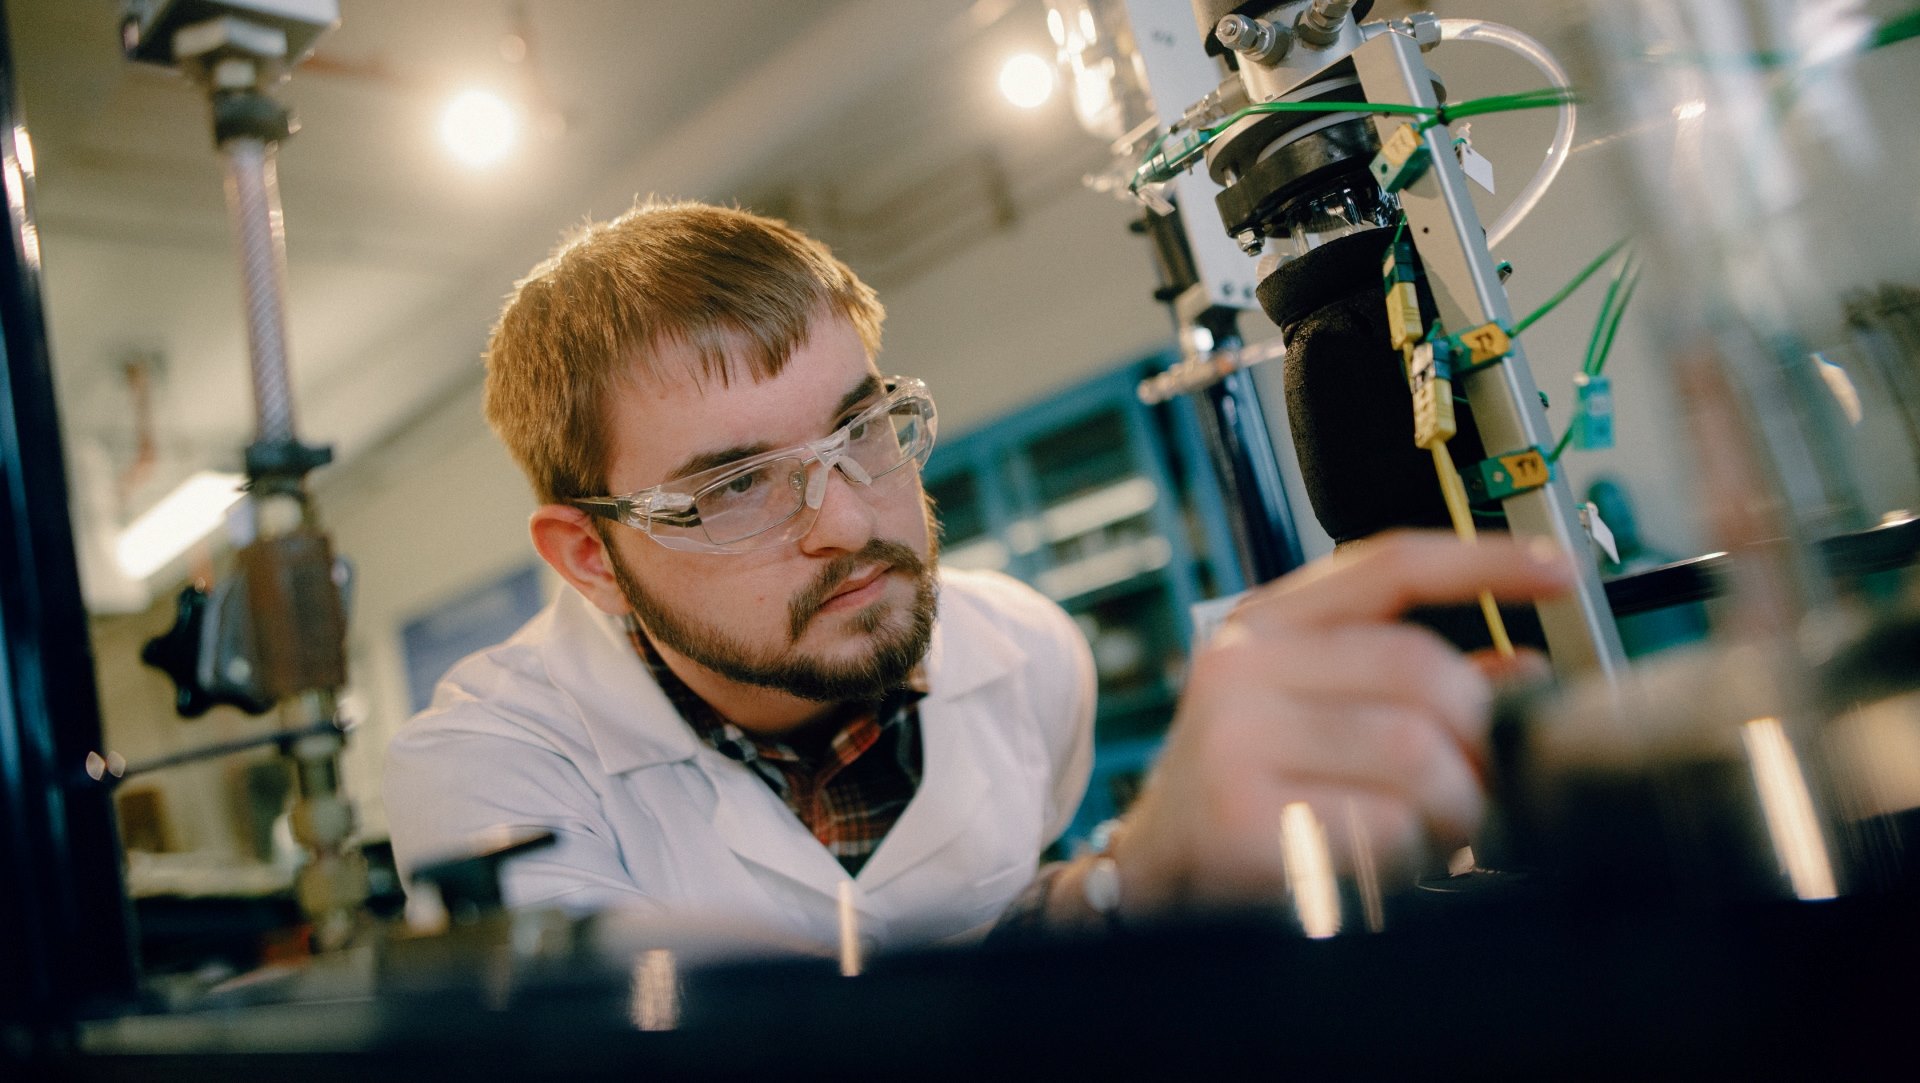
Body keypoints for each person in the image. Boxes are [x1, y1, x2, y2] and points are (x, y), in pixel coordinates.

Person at [384, 200, 1573, 950]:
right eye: (736, 486)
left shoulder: (1030, 656)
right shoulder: (492, 780)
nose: (846, 520)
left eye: (862, 430)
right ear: (591, 554)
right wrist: (1133, 885)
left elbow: (989, 916)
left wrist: (1110, 888)